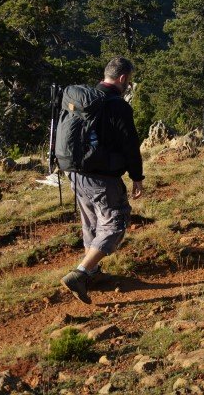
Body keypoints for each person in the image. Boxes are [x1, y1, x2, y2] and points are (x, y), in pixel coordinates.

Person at [59, 56, 144, 304]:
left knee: (92, 221)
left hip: (74, 171)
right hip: (101, 175)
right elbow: (130, 145)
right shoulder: (117, 106)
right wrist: (137, 177)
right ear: (123, 79)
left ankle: (92, 273)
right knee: (115, 221)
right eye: (129, 81)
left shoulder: (85, 99)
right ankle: (81, 273)